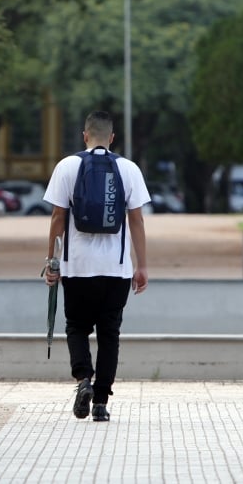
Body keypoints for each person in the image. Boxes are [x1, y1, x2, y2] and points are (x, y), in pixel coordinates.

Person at [42, 110, 150, 422]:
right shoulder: (128, 169)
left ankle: (83, 380)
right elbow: (137, 220)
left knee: (76, 326)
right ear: (112, 138)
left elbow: (57, 218)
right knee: (109, 333)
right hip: (116, 271)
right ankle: (101, 402)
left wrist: (52, 261)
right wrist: (141, 266)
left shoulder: (67, 166)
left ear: (84, 136)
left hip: (76, 268)